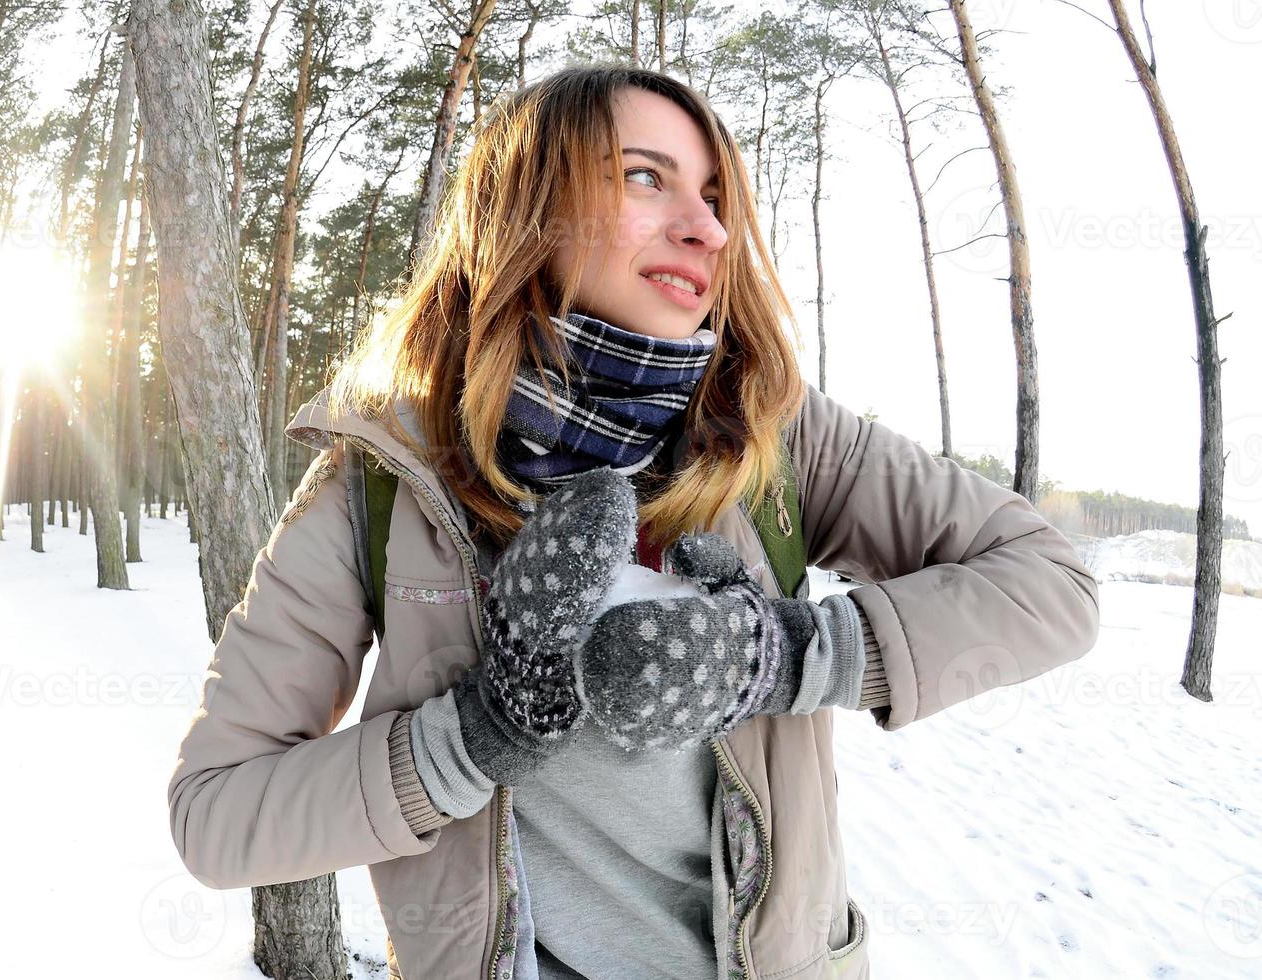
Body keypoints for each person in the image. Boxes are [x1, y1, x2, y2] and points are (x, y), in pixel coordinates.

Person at [167, 65, 1102, 980]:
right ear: (523, 209)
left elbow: (1052, 583)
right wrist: (476, 735)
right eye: (644, 178)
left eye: (712, 194)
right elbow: (214, 815)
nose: (705, 228)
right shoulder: (381, 484)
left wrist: (779, 656)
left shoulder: (776, 437)